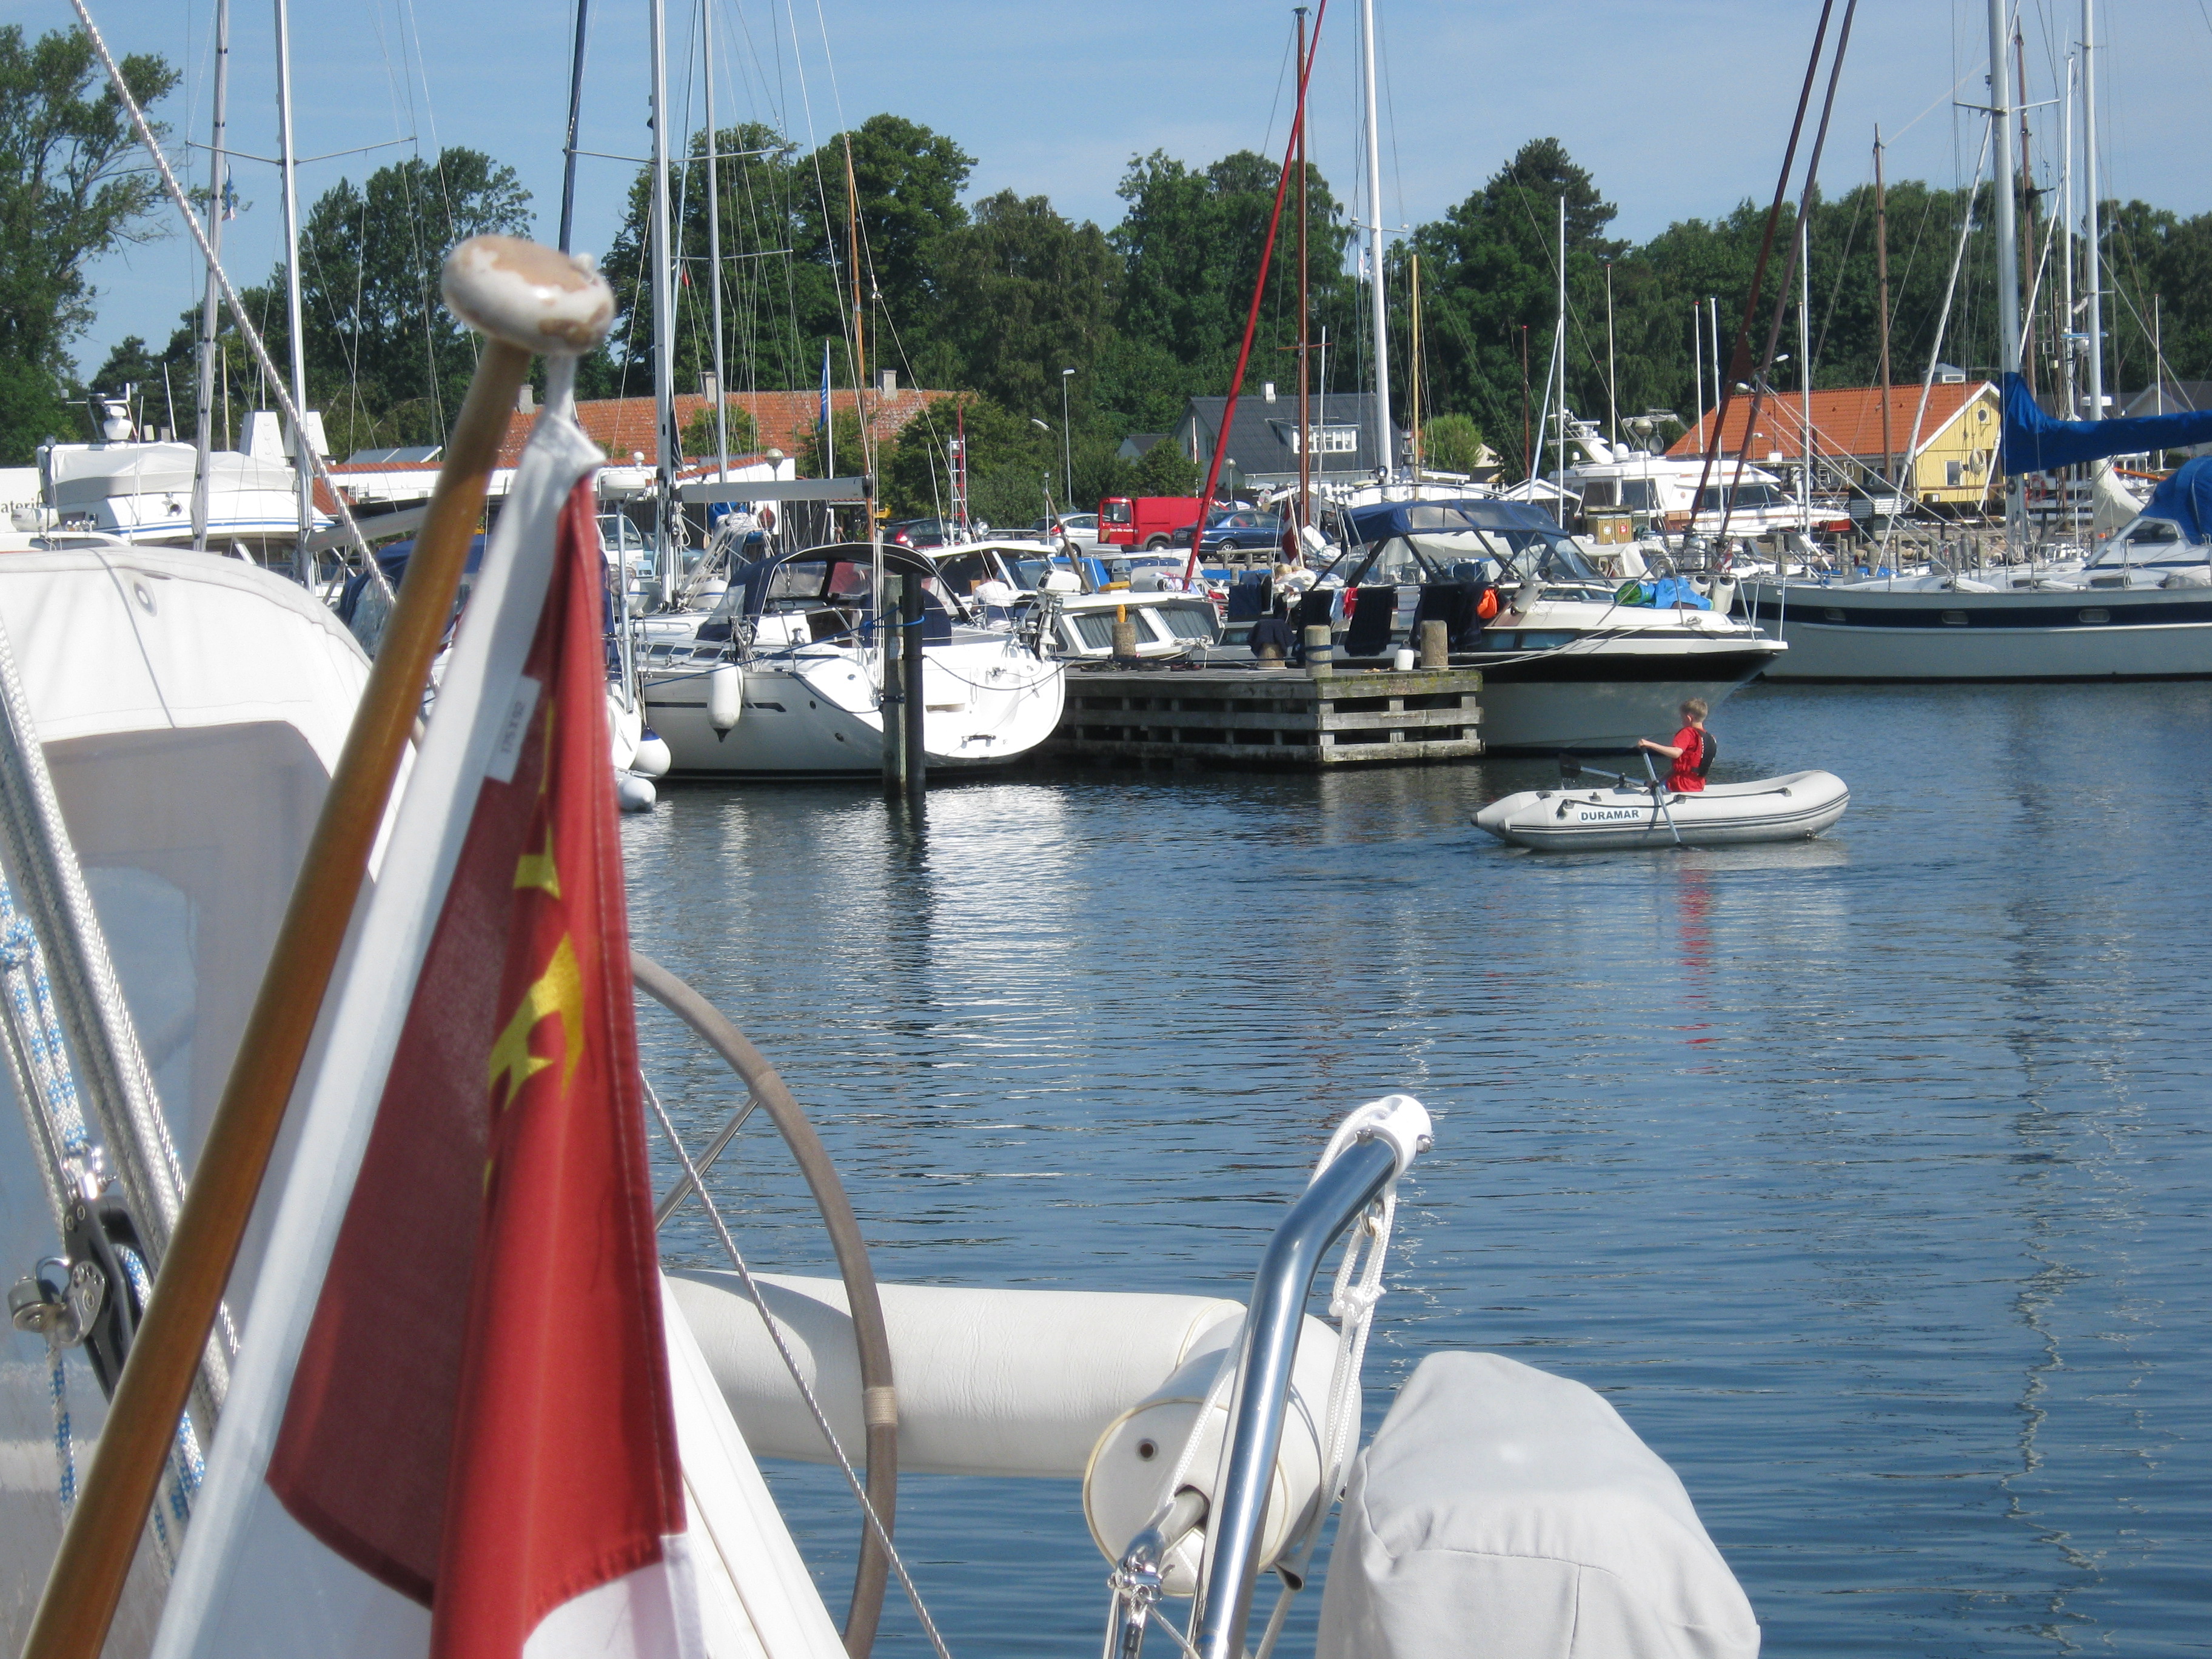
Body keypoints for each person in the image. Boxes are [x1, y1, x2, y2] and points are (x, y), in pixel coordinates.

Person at [1637, 699, 1712, 793]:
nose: (1681, 722)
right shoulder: (1710, 738)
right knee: (1653, 784)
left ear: (1689, 718)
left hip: (1679, 785)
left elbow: (1676, 753)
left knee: (1647, 788)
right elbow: (1678, 768)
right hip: (1698, 786)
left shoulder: (1687, 733)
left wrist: (1649, 744)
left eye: (1682, 718)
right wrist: (1659, 781)